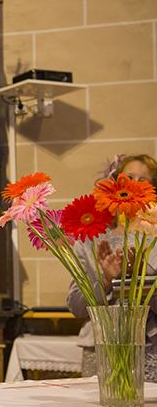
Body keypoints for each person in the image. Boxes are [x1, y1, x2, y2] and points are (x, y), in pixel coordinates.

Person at [67, 154, 157, 381]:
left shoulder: (155, 240)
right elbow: (76, 307)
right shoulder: (90, 239)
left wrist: (140, 277)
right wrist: (106, 282)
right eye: (128, 178)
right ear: (115, 186)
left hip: (148, 348)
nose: (134, 185)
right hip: (100, 347)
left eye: (143, 181)